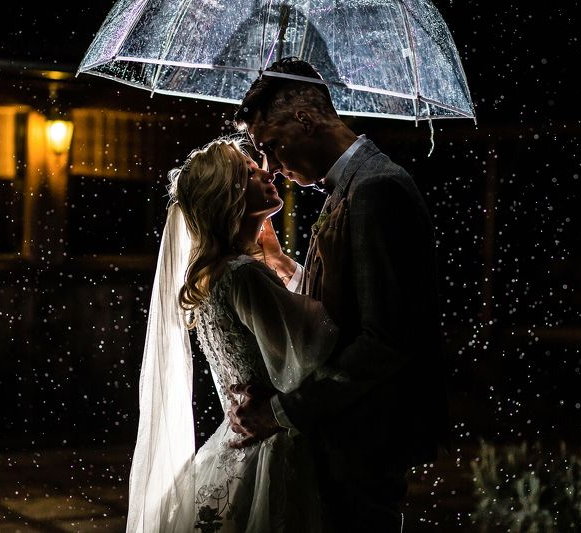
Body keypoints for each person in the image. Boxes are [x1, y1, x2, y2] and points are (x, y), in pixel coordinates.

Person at [228, 57, 450, 532]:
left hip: (366, 435)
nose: (272, 167)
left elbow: (385, 339)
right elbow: (344, 303)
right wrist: (284, 265)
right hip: (347, 433)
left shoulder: (376, 189)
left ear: (304, 120)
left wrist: (282, 411)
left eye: (272, 145)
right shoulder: (345, 188)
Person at [125, 136, 349, 533]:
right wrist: (332, 272)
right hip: (276, 443)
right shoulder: (244, 275)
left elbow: (285, 329)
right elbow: (317, 345)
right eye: (248, 172)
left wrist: (278, 261)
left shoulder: (220, 274)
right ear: (228, 196)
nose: (267, 172)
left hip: (241, 438)